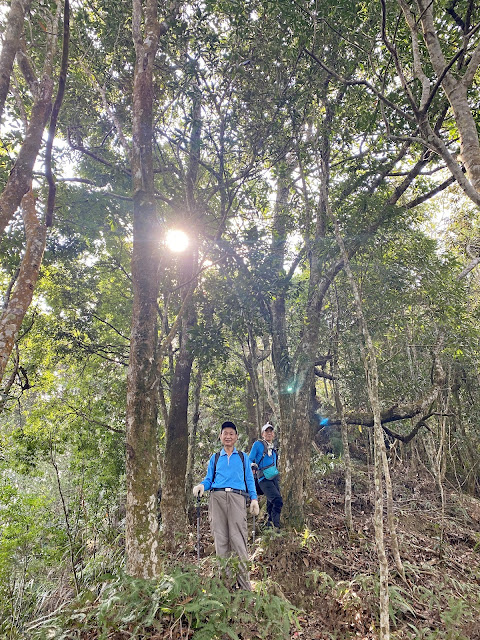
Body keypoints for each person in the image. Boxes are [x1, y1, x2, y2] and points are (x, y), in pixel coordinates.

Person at [193, 421, 259, 591]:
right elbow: (209, 479)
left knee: (238, 539)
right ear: (220, 436)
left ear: (236, 437)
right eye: (225, 433)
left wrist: (254, 499)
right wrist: (201, 486)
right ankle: (226, 586)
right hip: (217, 497)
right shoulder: (215, 458)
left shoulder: (243, 457)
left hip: (237, 497)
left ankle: (245, 587)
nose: (228, 436)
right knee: (220, 539)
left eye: (231, 433)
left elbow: (249, 480)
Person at [248, 422, 283, 529]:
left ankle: (269, 525)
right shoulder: (258, 444)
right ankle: (275, 526)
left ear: (273, 434)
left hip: (274, 477)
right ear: (262, 434)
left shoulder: (273, 447)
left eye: (271, 431)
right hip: (264, 478)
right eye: (266, 431)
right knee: (278, 501)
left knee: (271, 502)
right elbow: (249, 459)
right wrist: (252, 466)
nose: (269, 433)